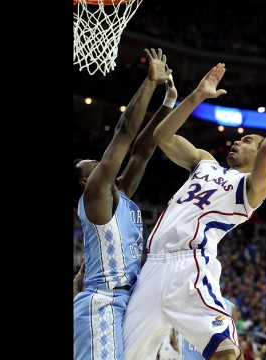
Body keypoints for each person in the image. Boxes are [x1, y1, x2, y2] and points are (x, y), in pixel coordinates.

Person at [122, 62, 266, 360]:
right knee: (120, 355)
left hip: (191, 267)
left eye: (247, 140)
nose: (238, 141)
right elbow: (163, 136)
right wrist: (197, 95)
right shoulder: (204, 161)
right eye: (239, 139)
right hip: (152, 267)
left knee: (224, 348)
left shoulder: (251, 188)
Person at [73, 47, 177, 360]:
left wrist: (167, 104)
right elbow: (124, 133)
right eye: (92, 164)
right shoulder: (95, 197)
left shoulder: (122, 194)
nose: (98, 160)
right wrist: (149, 82)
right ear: (84, 183)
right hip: (102, 303)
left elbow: (142, 151)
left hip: (128, 303)